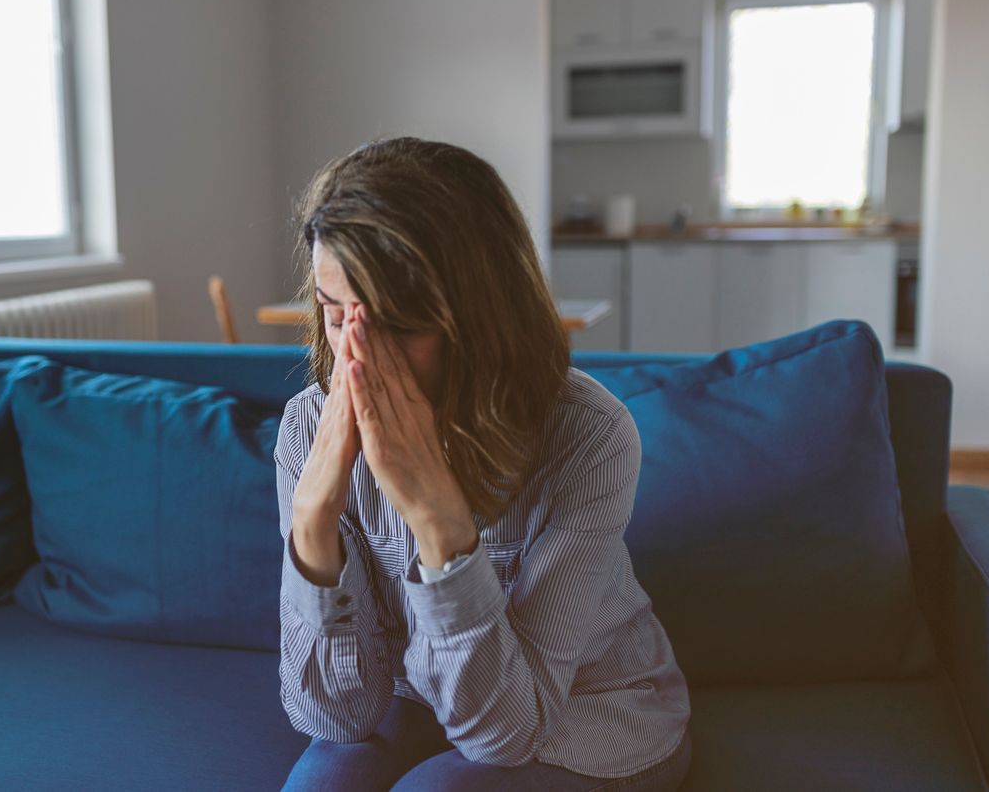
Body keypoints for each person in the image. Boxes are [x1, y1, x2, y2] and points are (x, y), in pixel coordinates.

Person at [276, 137, 692, 791]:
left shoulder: (588, 435)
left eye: (400, 324)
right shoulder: (309, 426)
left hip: (588, 714)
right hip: (419, 705)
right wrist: (312, 521)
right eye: (336, 317)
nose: (358, 358)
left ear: (481, 319)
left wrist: (438, 520)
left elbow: (505, 733)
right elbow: (335, 717)